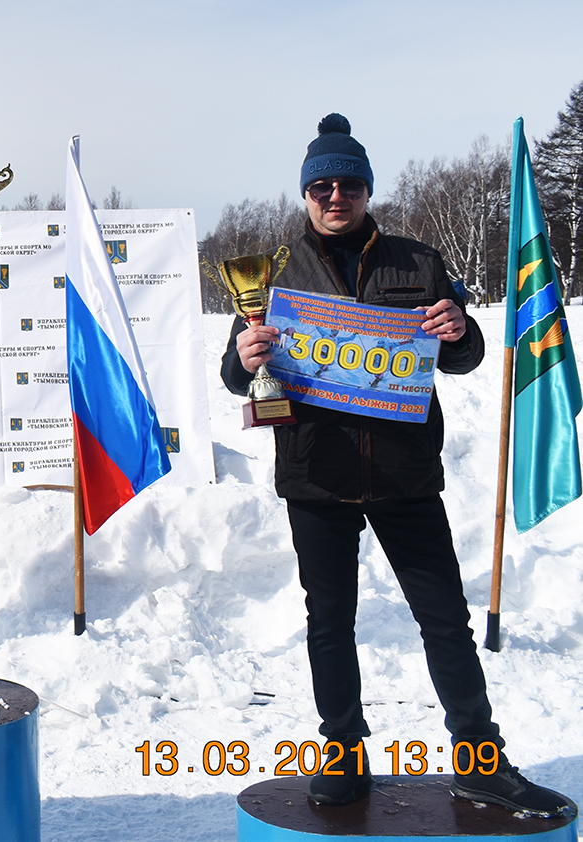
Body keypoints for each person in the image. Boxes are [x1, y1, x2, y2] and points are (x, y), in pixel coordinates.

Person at [222, 114, 574, 817]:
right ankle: (343, 756)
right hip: (315, 473)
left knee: (444, 620)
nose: (334, 195)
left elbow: (463, 356)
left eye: (348, 183)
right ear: (305, 193)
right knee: (330, 623)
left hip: (404, 473)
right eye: (321, 184)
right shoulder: (272, 272)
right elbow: (236, 376)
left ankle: (479, 758)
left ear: (366, 188)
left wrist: (460, 331)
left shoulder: (417, 262)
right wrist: (246, 358)